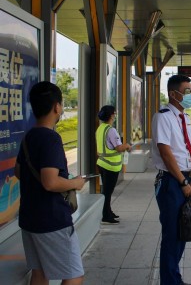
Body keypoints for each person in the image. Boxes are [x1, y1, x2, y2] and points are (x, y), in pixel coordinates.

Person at [14, 81, 87, 285]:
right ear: (57, 106)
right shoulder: (51, 138)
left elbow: (18, 171)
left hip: (29, 217)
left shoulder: (29, 136)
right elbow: (50, 182)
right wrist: (75, 183)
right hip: (52, 219)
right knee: (74, 275)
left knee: (39, 273)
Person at [151, 74, 191, 285]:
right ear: (173, 93)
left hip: (185, 179)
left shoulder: (185, 117)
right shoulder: (163, 116)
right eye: (187, 91)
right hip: (172, 182)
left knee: (183, 231)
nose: (190, 95)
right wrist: (182, 182)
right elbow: (166, 152)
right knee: (172, 236)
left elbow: (189, 149)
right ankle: (169, 282)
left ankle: (174, 279)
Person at [96, 105, 131, 224]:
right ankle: (106, 215)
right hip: (110, 165)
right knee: (107, 191)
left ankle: (108, 211)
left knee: (106, 190)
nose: (115, 115)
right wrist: (127, 146)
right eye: (114, 113)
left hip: (101, 163)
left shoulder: (100, 128)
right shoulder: (111, 130)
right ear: (111, 115)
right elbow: (119, 148)